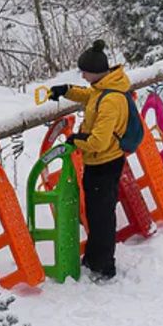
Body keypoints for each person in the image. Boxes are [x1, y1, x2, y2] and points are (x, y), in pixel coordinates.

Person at [48, 40, 130, 281]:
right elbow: (90, 97)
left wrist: (76, 140)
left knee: (101, 216)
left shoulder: (111, 100)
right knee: (97, 213)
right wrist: (66, 90)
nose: (82, 75)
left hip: (104, 162)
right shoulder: (105, 87)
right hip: (103, 161)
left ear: (95, 72)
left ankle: (104, 266)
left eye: (84, 71)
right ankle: (95, 259)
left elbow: (98, 142)